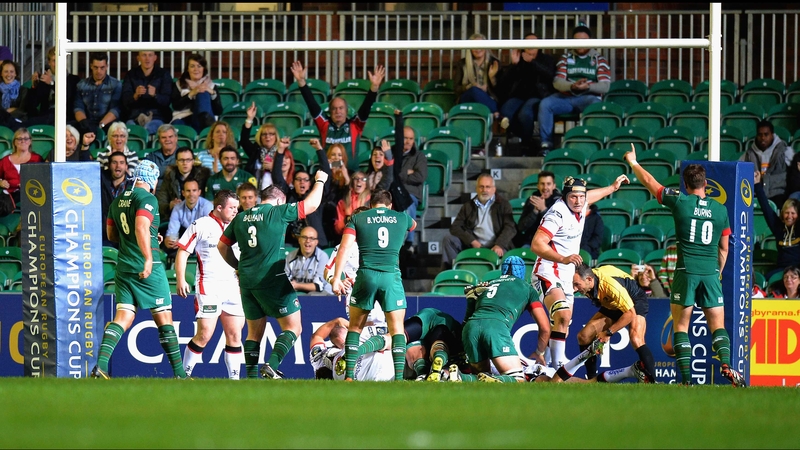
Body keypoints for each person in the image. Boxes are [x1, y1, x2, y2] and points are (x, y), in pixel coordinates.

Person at [624, 144, 746, 387]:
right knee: (717, 326)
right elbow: (724, 248)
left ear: (685, 184)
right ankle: (726, 365)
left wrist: (633, 162)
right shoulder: (720, 210)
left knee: (681, 325)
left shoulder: (679, 202)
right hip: (710, 273)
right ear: (705, 183)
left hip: (685, 271)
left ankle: (687, 381)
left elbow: (650, 181)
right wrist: (717, 273)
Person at [217, 169, 329, 379]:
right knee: (294, 327)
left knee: (253, 332)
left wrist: (238, 267)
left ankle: (250, 378)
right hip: (272, 278)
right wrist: (321, 181)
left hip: (247, 281)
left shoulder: (241, 217)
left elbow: (222, 246)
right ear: (280, 201)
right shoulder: (277, 212)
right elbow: (312, 205)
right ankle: (271, 364)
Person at [92, 160, 188, 379]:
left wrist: (151, 237)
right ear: (151, 180)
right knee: (164, 318)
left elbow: (112, 236)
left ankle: (101, 367)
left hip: (124, 266)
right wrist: (147, 256)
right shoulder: (147, 198)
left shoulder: (117, 201)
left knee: (123, 317)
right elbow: (140, 227)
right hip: (148, 267)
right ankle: (181, 375)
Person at [530, 174, 629, 369]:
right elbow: (536, 244)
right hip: (548, 271)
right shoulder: (556, 214)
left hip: (567, 274)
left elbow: (590, 196)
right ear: (565, 197)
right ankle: (559, 365)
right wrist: (563, 258)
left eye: (581, 197)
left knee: (562, 325)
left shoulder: (581, 203)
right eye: (573, 197)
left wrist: (612, 187)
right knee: (563, 315)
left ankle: (545, 365)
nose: (579, 200)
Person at [330, 189, 417, 381]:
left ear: (370, 205)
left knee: (354, 328)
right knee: (396, 330)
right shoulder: (401, 217)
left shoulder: (358, 218)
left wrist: (337, 277)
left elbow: (344, 247)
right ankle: (400, 379)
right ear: (390, 205)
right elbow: (414, 224)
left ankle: (350, 376)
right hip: (390, 277)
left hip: (366, 276)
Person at [175, 189, 244, 380]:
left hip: (233, 287)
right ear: (219, 207)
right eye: (232, 208)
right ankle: (183, 375)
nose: (235, 211)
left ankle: (235, 380)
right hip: (209, 287)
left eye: (237, 208)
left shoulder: (238, 226)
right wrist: (181, 279)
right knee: (205, 334)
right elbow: (182, 252)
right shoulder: (201, 225)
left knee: (235, 335)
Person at [448, 256, 550, 383]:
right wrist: (539, 352)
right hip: (495, 326)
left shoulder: (488, 283)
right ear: (523, 271)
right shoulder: (527, 288)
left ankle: (460, 376)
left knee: (481, 377)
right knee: (518, 379)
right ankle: (497, 379)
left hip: (471, 327)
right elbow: (545, 327)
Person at [290, 60, 385, 173]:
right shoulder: (324, 124)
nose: (338, 111)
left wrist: (374, 88)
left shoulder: (355, 125)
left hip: (351, 176)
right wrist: (301, 82)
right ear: (329, 111)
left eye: (341, 108)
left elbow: (366, 106)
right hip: (329, 175)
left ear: (346, 111)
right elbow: (312, 104)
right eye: (334, 109)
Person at [572, 263, 656, 383]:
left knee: (636, 339)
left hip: (634, 300)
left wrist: (608, 333)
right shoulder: (588, 278)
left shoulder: (610, 285)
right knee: (584, 336)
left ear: (589, 279)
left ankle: (653, 381)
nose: (574, 289)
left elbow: (630, 313)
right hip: (613, 303)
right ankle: (591, 381)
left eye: (577, 285)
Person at [538, 25, 611, 154]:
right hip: (566, 97)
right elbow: (557, 82)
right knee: (546, 104)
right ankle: (546, 145)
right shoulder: (566, 58)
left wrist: (588, 86)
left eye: (584, 41)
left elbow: (605, 86)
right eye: (577, 41)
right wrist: (572, 86)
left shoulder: (599, 59)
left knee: (596, 104)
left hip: (588, 97)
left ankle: (590, 142)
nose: (580, 44)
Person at [323, 206, 386, 326]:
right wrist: (336, 281)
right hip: (356, 295)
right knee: (363, 331)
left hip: (379, 296)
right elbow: (327, 271)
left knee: (381, 333)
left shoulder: (381, 244)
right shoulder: (344, 247)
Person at [441, 173, 517, 270]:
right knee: (449, 239)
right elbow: (455, 227)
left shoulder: (504, 205)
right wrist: (471, 241)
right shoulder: (468, 206)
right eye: (481, 187)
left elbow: (510, 228)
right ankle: (451, 273)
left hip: (496, 246)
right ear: (477, 189)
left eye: (488, 187)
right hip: (474, 245)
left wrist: (499, 244)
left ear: (494, 189)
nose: (484, 190)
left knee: (508, 259)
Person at [496, 33, 557, 150]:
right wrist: (513, 65)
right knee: (505, 112)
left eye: (533, 43)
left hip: (538, 96)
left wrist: (532, 62)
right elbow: (504, 83)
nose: (530, 46)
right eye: (527, 43)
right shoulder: (519, 59)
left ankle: (526, 142)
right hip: (519, 96)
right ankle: (523, 136)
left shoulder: (546, 59)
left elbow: (550, 76)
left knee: (525, 114)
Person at [273, 137, 331, 248]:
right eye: (298, 179)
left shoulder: (316, 196)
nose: (302, 182)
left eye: (305, 180)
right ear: (293, 183)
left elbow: (325, 174)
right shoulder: (288, 195)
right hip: (291, 244)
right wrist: (280, 150)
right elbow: (277, 176)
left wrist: (319, 149)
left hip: (316, 245)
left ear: (310, 183)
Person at [309, 317, 394, 381]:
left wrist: (337, 321)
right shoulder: (322, 361)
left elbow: (316, 336)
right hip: (388, 362)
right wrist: (338, 321)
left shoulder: (319, 359)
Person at [754, 169, 800, 280]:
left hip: (798, 269)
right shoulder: (778, 228)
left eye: (793, 213)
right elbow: (766, 208)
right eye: (787, 213)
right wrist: (757, 184)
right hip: (782, 270)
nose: (789, 216)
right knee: (768, 278)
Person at [392, 111, 428, 248]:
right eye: (405, 138)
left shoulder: (419, 156)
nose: (407, 141)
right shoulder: (392, 153)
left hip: (411, 194)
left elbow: (420, 176)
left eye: (411, 139)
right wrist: (408, 173)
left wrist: (400, 174)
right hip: (393, 192)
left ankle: (408, 241)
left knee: (407, 203)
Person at [740, 120, 794, 207]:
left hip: (778, 194)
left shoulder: (784, 151)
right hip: (755, 194)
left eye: (766, 134)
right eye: (760, 135)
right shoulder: (749, 154)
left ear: (772, 135)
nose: (763, 138)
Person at [24, 45, 80, 127]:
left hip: (65, 117)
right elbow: (30, 106)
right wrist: (34, 87)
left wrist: (52, 84)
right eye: (54, 61)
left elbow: (68, 98)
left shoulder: (73, 79)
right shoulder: (44, 80)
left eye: (60, 60)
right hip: (46, 116)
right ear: (49, 62)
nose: (57, 63)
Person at [404, 308, 464, 382]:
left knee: (397, 337)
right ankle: (437, 360)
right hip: (445, 325)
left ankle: (422, 373)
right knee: (439, 344)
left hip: (427, 317)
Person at [122, 50, 173, 135]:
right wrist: (135, 95)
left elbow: (167, 100)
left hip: (157, 117)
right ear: (138, 58)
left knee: (147, 129)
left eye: (150, 55)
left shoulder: (164, 74)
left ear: (155, 58)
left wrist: (155, 95)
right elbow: (125, 100)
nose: (147, 59)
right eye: (144, 55)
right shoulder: (131, 74)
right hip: (135, 117)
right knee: (129, 131)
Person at [170, 53, 222, 133]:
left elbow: (218, 111)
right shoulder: (178, 84)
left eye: (199, 66)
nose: (196, 69)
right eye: (192, 66)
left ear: (203, 68)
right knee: (177, 127)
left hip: (202, 121)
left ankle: (205, 120)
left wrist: (212, 93)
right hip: (183, 118)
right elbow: (176, 106)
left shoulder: (211, 86)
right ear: (187, 69)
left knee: (202, 93)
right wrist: (191, 94)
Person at [156, 146, 211, 222]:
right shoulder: (170, 177)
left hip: (199, 218)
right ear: (176, 162)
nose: (185, 163)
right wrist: (169, 206)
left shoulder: (203, 176)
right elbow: (160, 202)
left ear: (193, 161)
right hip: (175, 218)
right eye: (181, 160)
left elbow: (208, 201)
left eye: (188, 160)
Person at [74, 52, 123, 136]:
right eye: (96, 67)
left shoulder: (116, 84)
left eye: (102, 68)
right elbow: (78, 108)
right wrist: (85, 123)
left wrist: (101, 124)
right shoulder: (81, 85)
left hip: (107, 123)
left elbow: (115, 110)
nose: (99, 71)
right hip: (87, 122)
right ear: (91, 66)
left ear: (107, 66)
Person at [453, 33, 500, 117]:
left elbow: (502, 90)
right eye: (474, 46)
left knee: (479, 93)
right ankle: (496, 114)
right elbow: (456, 88)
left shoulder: (494, 63)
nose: (477, 49)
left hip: (488, 98)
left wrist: (491, 79)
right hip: (468, 98)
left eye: (480, 45)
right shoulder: (462, 64)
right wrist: (470, 86)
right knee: (474, 90)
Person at [163, 178, 213, 254]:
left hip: (203, 240)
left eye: (194, 190)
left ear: (199, 192)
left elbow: (208, 232)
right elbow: (172, 232)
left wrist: (184, 242)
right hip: (185, 239)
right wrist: (169, 240)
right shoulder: (177, 208)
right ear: (183, 193)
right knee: (168, 249)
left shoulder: (207, 206)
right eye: (188, 191)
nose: (191, 194)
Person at [513, 170, 561, 248]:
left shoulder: (559, 202)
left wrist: (543, 209)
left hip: (552, 242)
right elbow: (521, 227)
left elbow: (557, 227)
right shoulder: (531, 200)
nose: (545, 187)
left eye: (548, 184)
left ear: (554, 186)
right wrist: (534, 211)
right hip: (530, 242)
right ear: (538, 186)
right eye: (542, 184)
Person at [239, 105, 280, 189]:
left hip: (276, 191)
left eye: (271, 134)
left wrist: (275, 168)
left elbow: (289, 173)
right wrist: (249, 119)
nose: (267, 137)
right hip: (255, 193)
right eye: (264, 134)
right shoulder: (255, 151)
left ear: (276, 137)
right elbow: (244, 140)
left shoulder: (281, 153)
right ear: (260, 137)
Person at [0, 128, 43, 204]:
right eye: (19, 139)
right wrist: (0, 182)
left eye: (26, 139)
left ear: (30, 142)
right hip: (8, 194)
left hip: (30, 194)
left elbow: (43, 178)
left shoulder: (37, 159)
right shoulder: (5, 160)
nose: (23, 141)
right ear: (15, 142)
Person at [285, 226, 332, 294]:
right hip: (300, 293)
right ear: (299, 240)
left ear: (316, 242)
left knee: (312, 295)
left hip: (324, 295)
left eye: (312, 238)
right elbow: (286, 281)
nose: (308, 241)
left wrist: (297, 285)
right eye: (304, 237)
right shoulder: (291, 256)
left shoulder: (322, 257)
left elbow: (319, 286)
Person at [100, 151, 129, 247]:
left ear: (126, 166)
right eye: (114, 162)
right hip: (104, 234)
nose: (118, 166)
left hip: (126, 235)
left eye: (121, 163)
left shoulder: (133, 186)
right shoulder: (100, 181)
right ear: (109, 165)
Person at [333, 170, 371, 236]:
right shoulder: (343, 202)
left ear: (366, 185)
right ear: (352, 183)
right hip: (348, 237)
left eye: (363, 179)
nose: (359, 181)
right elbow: (338, 228)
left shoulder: (371, 201)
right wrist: (346, 221)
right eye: (356, 178)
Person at [0, 60, 28, 127]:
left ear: (15, 74)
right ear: (1, 73)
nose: (9, 75)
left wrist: (5, 113)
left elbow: (22, 111)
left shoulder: (23, 90)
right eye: (6, 71)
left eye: (11, 71)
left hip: (18, 121)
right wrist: (10, 110)